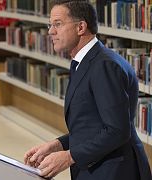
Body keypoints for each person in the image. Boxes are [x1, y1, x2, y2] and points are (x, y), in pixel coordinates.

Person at [24, 1, 152, 180]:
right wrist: (58, 145)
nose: (50, 31)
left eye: (58, 24)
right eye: (50, 25)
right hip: (99, 166)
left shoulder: (104, 66)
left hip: (115, 171)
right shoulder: (82, 62)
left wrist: (69, 156)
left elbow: (117, 130)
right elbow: (92, 125)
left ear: (81, 27)